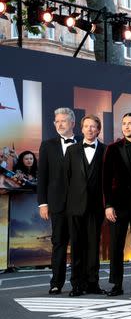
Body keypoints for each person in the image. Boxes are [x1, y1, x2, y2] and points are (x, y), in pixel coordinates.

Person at [36, 107, 78, 294]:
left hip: (79, 203)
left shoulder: (82, 143)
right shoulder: (47, 145)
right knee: (59, 243)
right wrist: (43, 203)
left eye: (63, 121)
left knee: (79, 243)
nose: (59, 124)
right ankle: (56, 282)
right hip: (57, 203)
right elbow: (42, 176)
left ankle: (78, 283)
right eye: (57, 121)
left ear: (72, 123)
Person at [64, 114, 106, 297]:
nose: (89, 129)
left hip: (96, 207)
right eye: (86, 126)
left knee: (93, 247)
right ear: (81, 129)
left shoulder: (106, 150)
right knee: (77, 247)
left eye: (93, 126)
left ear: (98, 129)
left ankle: (92, 283)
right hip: (75, 206)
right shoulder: (72, 150)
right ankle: (76, 285)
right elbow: (65, 179)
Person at [102, 112, 131, 296]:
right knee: (116, 245)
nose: (126, 126)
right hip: (118, 204)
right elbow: (106, 179)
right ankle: (116, 285)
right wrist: (108, 205)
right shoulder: (112, 148)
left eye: (130, 123)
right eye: (124, 123)